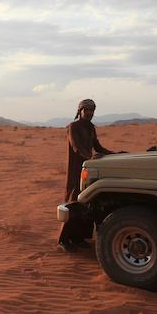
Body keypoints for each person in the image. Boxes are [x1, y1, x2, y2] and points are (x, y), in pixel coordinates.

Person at [58, 98, 116, 252]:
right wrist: (90, 158)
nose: (89, 113)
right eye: (87, 110)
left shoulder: (91, 128)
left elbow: (97, 147)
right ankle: (65, 240)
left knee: (87, 203)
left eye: (92, 110)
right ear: (80, 111)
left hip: (88, 170)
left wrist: (114, 155)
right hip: (76, 170)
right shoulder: (73, 126)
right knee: (73, 203)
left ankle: (79, 238)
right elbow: (76, 147)